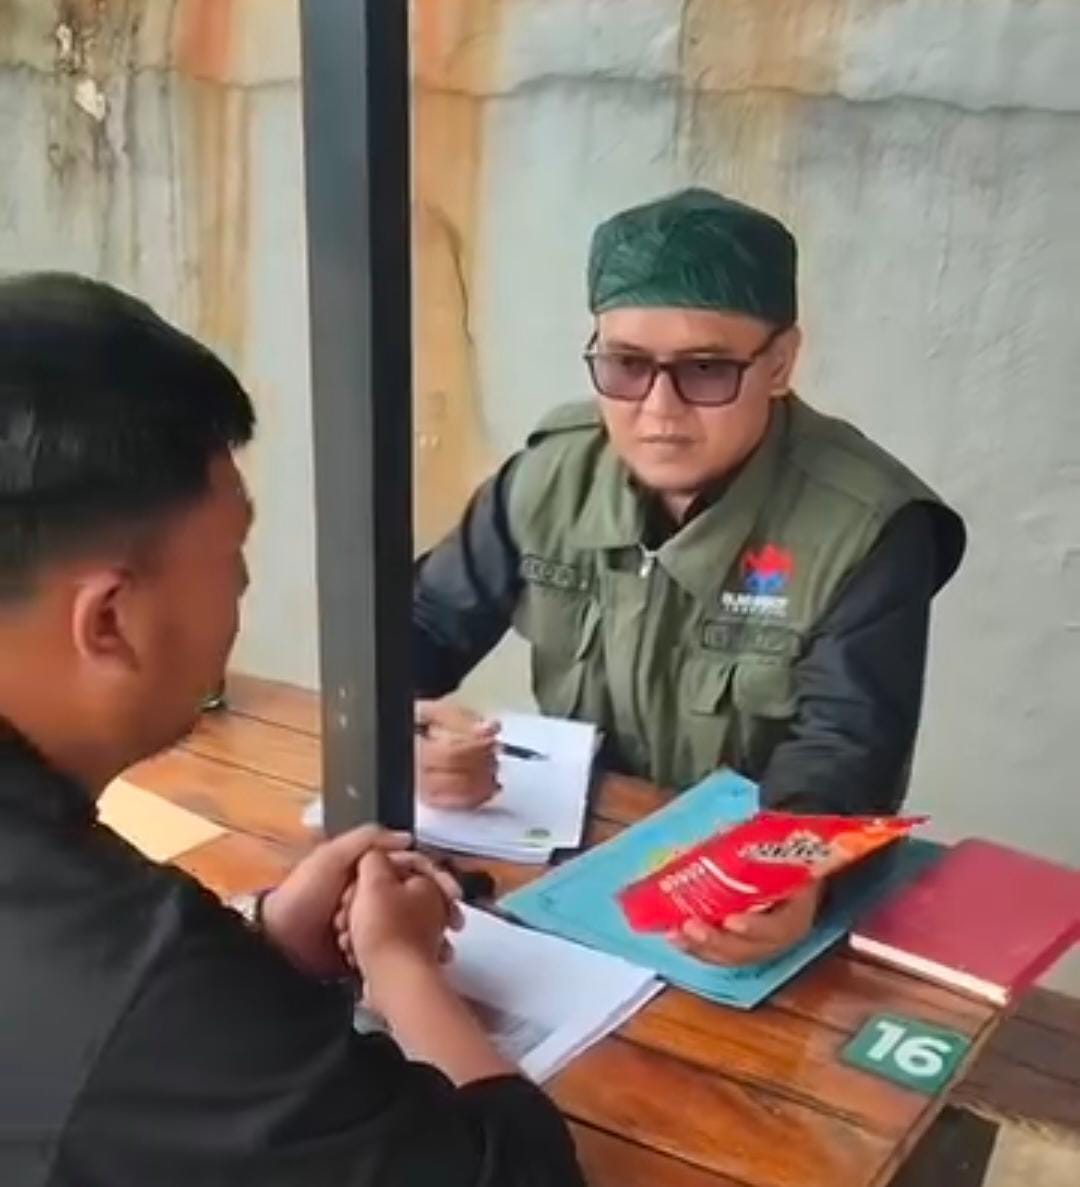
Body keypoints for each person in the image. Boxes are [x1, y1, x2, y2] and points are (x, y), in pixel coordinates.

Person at [0, 274, 585, 1187]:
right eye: (235, 557)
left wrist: (260, 938)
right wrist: (400, 967)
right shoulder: (135, 980)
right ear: (110, 620)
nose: (243, 589)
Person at [413, 188, 965, 965]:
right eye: (626, 364)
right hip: (571, 870)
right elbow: (423, 625)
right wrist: (411, 731)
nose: (658, 409)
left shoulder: (866, 525)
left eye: (706, 370)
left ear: (780, 363)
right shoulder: (550, 475)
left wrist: (787, 875)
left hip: (747, 902)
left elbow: (845, 748)